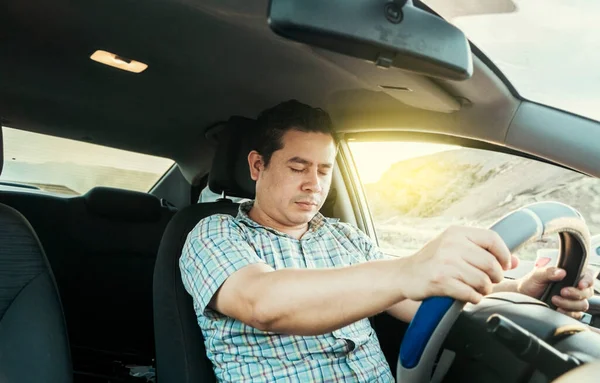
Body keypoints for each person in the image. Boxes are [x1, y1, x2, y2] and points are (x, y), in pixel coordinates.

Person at [180, 100, 596, 382]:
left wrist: (518, 289)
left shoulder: (344, 237)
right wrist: (407, 270)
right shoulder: (213, 233)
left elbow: (416, 299)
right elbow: (262, 303)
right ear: (258, 165)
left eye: (324, 170)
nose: (313, 184)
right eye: (297, 166)